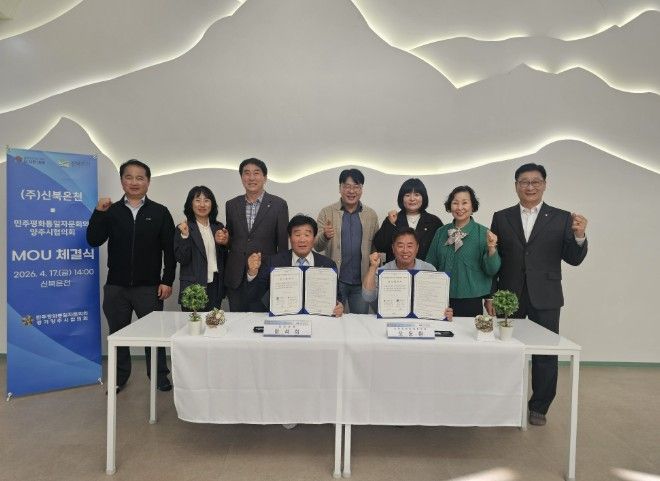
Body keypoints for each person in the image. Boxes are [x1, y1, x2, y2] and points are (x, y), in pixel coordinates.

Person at [490, 163, 588, 426]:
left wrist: (579, 236)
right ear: (516, 185)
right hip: (508, 295)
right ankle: (505, 404)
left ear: (544, 185)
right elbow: (495, 259)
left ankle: (539, 407)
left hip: (546, 295)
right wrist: (492, 295)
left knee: (546, 353)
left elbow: (574, 258)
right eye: (524, 182)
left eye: (535, 182)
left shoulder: (561, 218)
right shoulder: (501, 217)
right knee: (506, 351)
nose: (530, 186)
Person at [86, 159, 175, 393]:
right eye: (129, 177)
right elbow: (93, 240)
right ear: (122, 181)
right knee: (118, 335)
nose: (134, 182)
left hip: (149, 287)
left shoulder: (160, 212)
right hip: (116, 287)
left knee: (154, 335)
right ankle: (118, 377)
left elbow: (170, 250)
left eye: (140, 177)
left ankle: (159, 376)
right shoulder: (111, 211)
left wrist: (167, 280)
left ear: (148, 182)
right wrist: (98, 213)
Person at [224, 158, 289, 312]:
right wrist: (225, 240)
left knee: (262, 323)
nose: (251, 178)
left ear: (265, 177)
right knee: (237, 322)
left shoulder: (279, 204)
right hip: (236, 277)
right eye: (246, 173)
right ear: (241, 177)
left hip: (265, 276)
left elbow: (282, 245)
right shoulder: (231, 205)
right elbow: (231, 240)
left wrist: (280, 278)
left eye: (256, 173)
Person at [246, 215, 343, 316]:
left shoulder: (328, 265)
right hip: (283, 318)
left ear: (314, 238)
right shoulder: (273, 262)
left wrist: (339, 305)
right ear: (290, 238)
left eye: (307, 235)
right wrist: (252, 273)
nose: (302, 240)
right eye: (297, 235)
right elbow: (255, 294)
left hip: (317, 319)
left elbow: (337, 297)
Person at [426, 186, 500, 317]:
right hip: (440, 298)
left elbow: (491, 270)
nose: (460, 207)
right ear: (450, 206)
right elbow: (430, 265)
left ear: (472, 206)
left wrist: (491, 247)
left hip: (471, 299)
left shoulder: (484, 233)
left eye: (465, 202)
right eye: (455, 203)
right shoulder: (441, 232)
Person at [314, 168, 379, 314]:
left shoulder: (371, 215)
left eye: (356, 186)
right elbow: (317, 246)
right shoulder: (327, 212)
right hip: (335, 280)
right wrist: (325, 236)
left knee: (360, 321)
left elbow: (376, 247)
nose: (351, 191)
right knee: (333, 320)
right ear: (340, 188)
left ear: (361, 189)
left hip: (361, 281)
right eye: (347, 186)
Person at [362, 228, 453, 320]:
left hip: (422, 323)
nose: (405, 250)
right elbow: (368, 297)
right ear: (393, 248)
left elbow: (438, 300)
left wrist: (444, 312)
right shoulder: (384, 271)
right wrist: (373, 267)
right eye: (400, 246)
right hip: (390, 321)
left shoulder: (429, 269)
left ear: (417, 248)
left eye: (410, 246)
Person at [174, 186, 228, 311]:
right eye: (197, 200)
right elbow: (182, 259)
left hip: (215, 286)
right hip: (193, 288)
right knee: (193, 323)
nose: (202, 205)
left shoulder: (218, 227)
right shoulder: (183, 227)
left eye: (206, 200)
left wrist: (224, 243)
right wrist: (185, 236)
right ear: (190, 204)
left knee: (213, 321)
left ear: (212, 204)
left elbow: (224, 258)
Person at [373, 178, 443, 263]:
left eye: (417, 195)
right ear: (401, 198)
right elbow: (380, 246)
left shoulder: (434, 222)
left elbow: (441, 251)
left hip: (426, 270)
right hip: (396, 270)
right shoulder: (392, 219)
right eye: (407, 195)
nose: (412, 199)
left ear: (423, 198)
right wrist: (389, 224)